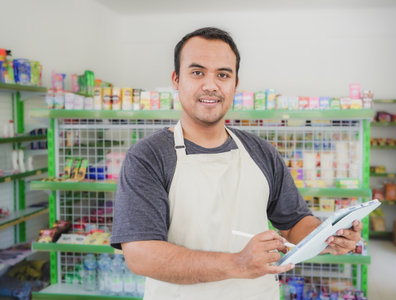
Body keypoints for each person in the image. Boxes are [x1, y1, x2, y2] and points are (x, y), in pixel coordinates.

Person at [111, 27, 362, 299]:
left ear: (235, 83)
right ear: (176, 79)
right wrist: (237, 263)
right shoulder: (148, 156)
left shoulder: (260, 151)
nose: (211, 85)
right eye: (197, 72)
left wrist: (330, 236)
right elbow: (141, 255)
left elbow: (294, 223)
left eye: (222, 74)